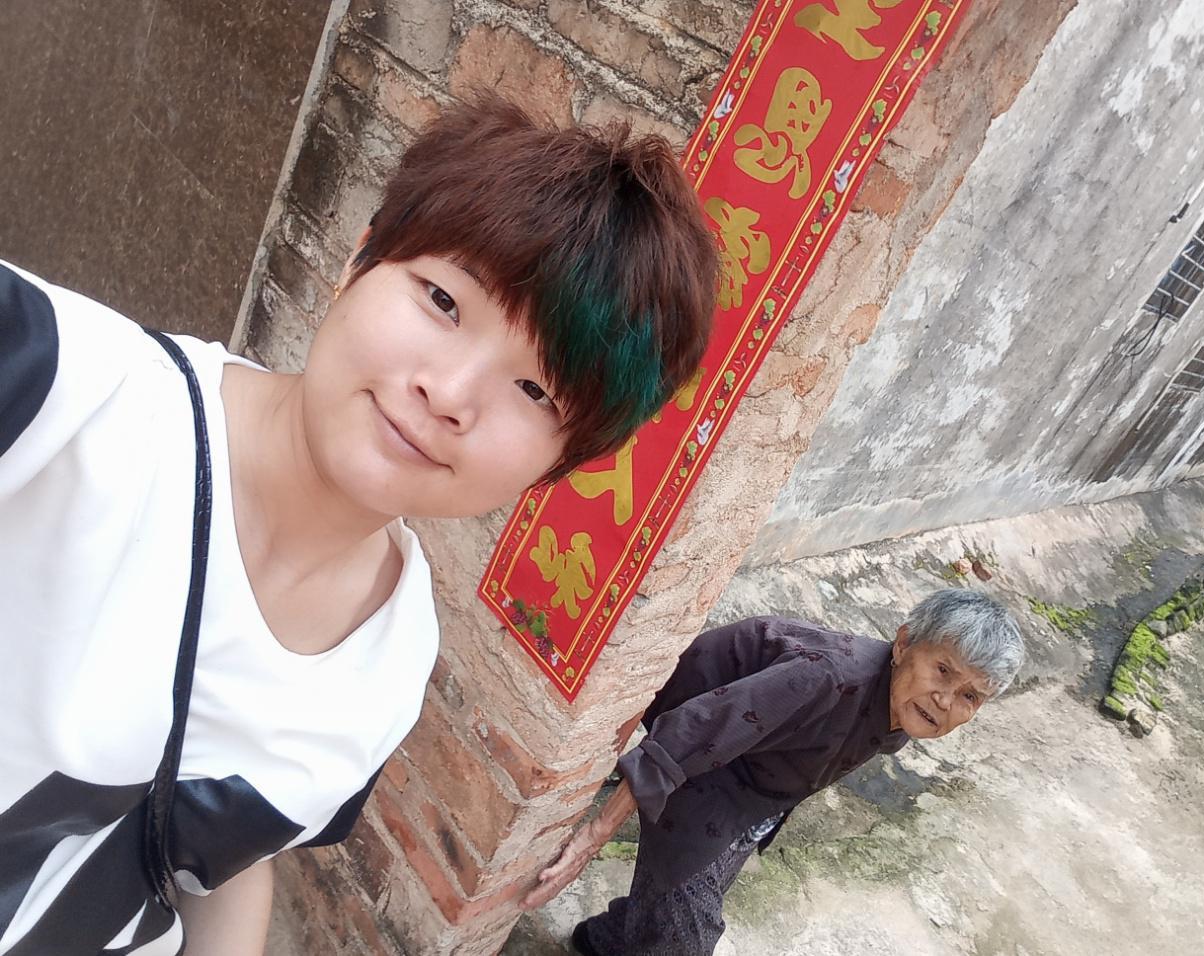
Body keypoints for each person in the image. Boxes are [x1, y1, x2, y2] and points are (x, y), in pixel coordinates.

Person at [0, 95, 718, 955]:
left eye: (535, 390)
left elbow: (209, 863)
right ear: (359, 260)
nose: (449, 395)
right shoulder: (54, 389)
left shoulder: (393, 659)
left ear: (560, 464)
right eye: (444, 301)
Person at [521, 589, 1025, 956]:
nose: (945, 700)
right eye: (943, 670)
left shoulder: (906, 711)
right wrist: (594, 834)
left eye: (969, 695)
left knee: (688, 897)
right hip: (706, 762)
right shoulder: (828, 677)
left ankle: (606, 940)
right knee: (686, 935)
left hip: (756, 788)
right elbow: (693, 731)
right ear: (903, 644)